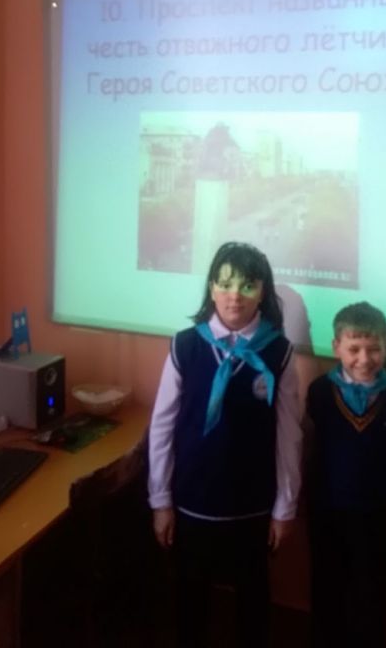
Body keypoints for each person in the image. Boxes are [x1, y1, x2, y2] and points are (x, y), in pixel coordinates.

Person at [148, 242, 302, 648]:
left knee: (253, 600)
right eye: (226, 283)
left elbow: (289, 434)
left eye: (248, 285)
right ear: (212, 288)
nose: (235, 295)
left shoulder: (279, 352)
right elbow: (162, 426)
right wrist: (160, 501)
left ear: (263, 292)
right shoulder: (185, 345)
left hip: (252, 504)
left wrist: (285, 506)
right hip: (192, 499)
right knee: (190, 599)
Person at [305, 302, 386, 648]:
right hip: (326, 509)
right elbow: (306, 443)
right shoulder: (319, 392)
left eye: (374, 349)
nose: (364, 359)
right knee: (326, 585)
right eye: (354, 348)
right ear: (336, 347)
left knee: (371, 590)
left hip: (377, 512)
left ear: (385, 348)